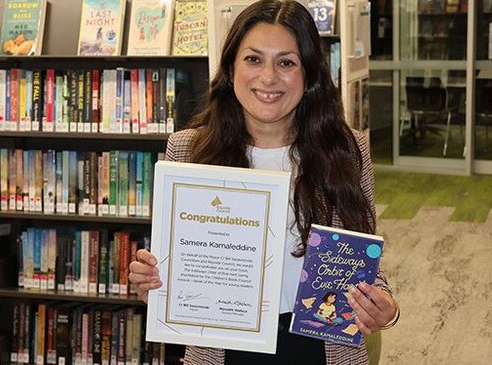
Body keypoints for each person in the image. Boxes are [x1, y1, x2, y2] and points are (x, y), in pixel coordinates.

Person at [128, 1, 399, 364]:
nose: (268, 78)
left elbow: (359, 257)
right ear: (230, 68)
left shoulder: (347, 151)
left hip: (320, 346)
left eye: (286, 62)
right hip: (222, 348)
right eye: (253, 59)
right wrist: (154, 282)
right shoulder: (187, 150)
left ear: (310, 74)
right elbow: (179, 266)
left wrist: (385, 306)